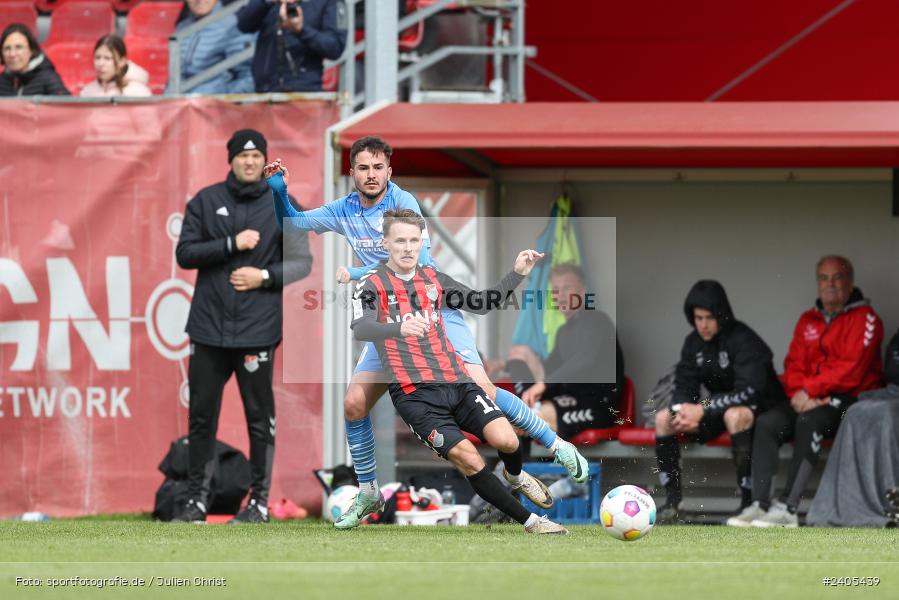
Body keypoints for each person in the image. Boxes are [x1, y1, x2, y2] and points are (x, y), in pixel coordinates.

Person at [264, 136, 589, 529]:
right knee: (353, 404)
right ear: (352, 172)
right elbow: (295, 222)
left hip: (432, 307)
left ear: (389, 171)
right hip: (391, 319)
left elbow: (406, 262)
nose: (371, 175)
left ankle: (550, 449)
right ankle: (368, 491)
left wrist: (355, 273)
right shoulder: (343, 209)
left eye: (378, 167)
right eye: (363, 168)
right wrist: (279, 191)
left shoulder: (403, 204)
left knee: (482, 390)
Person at [352, 208, 566, 534]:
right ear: (386, 243)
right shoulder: (371, 284)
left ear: (422, 242)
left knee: (507, 441)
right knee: (470, 459)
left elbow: (480, 302)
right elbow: (362, 328)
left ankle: (516, 475)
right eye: (400, 241)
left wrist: (518, 273)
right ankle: (533, 522)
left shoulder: (433, 278)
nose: (408, 247)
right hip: (416, 397)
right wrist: (399, 327)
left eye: (414, 240)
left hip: (458, 383)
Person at [173, 129, 313, 524]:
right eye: (243, 156)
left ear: (264, 160)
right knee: (201, 417)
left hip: (257, 330)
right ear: (231, 159)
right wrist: (231, 245)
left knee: (259, 417)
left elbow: (303, 262)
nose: (250, 162)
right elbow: (185, 253)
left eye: (257, 156)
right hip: (208, 329)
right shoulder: (206, 201)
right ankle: (196, 501)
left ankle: (258, 503)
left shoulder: (281, 204)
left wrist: (264, 277)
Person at [747, 256, 883, 528]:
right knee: (767, 422)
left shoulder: (867, 319)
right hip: (806, 399)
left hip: (850, 401)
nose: (830, 284)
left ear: (850, 282)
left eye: (837, 277)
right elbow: (793, 363)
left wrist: (811, 390)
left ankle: (788, 509)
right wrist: (801, 393)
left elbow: (852, 369)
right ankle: (759, 505)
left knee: (810, 421)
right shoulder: (807, 319)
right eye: (823, 278)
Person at [653, 280, 787, 524]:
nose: (703, 324)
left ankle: (748, 505)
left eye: (709, 317)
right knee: (664, 419)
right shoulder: (693, 343)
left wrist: (702, 410)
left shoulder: (744, 340)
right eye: (698, 318)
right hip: (716, 410)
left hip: (762, 412)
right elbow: (684, 384)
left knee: (735, 414)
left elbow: (749, 393)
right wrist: (681, 411)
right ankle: (673, 504)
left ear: (721, 314)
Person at [237, 0, 346, 93]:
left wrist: (301, 30)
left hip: (303, 92)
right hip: (264, 90)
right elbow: (243, 24)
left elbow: (335, 47)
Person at [166, 0, 256, 94]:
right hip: (178, 104)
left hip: (211, 105)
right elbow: (176, 76)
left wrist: (216, 99)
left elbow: (248, 79)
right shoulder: (182, 27)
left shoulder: (233, 25)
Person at [0, 24, 69, 96]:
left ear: (31, 50)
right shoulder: (1, 82)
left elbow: (67, 105)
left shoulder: (47, 78)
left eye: (19, 47)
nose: (12, 54)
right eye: (7, 48)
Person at [80, 35, 152, 98]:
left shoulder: (137, 92)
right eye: (97, 57)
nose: (100, 63)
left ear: (122, 61)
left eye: (107, 58)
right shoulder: (88, 92)